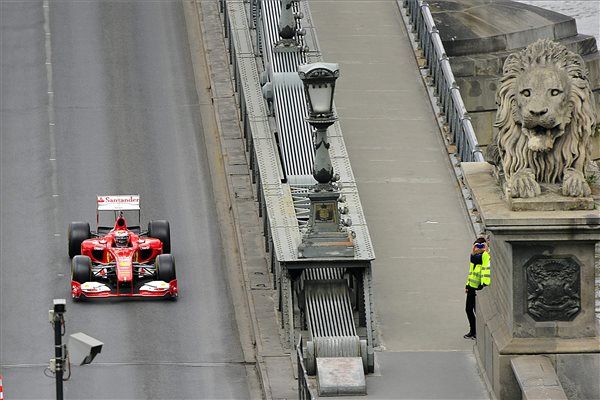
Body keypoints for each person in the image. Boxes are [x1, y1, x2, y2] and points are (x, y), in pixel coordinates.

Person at [464, 237, 490, 340]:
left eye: (481, 246)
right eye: (477, 246)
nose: (479, 248)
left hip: (480, 287)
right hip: (471, 287)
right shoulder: (473, 257)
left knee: (477, 311)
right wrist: (467, 285)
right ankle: (473, 331)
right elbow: (471, 272)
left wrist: (486, 249)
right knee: (468, 309)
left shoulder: (485, 256)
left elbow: (486, 266)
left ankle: (476, 332)